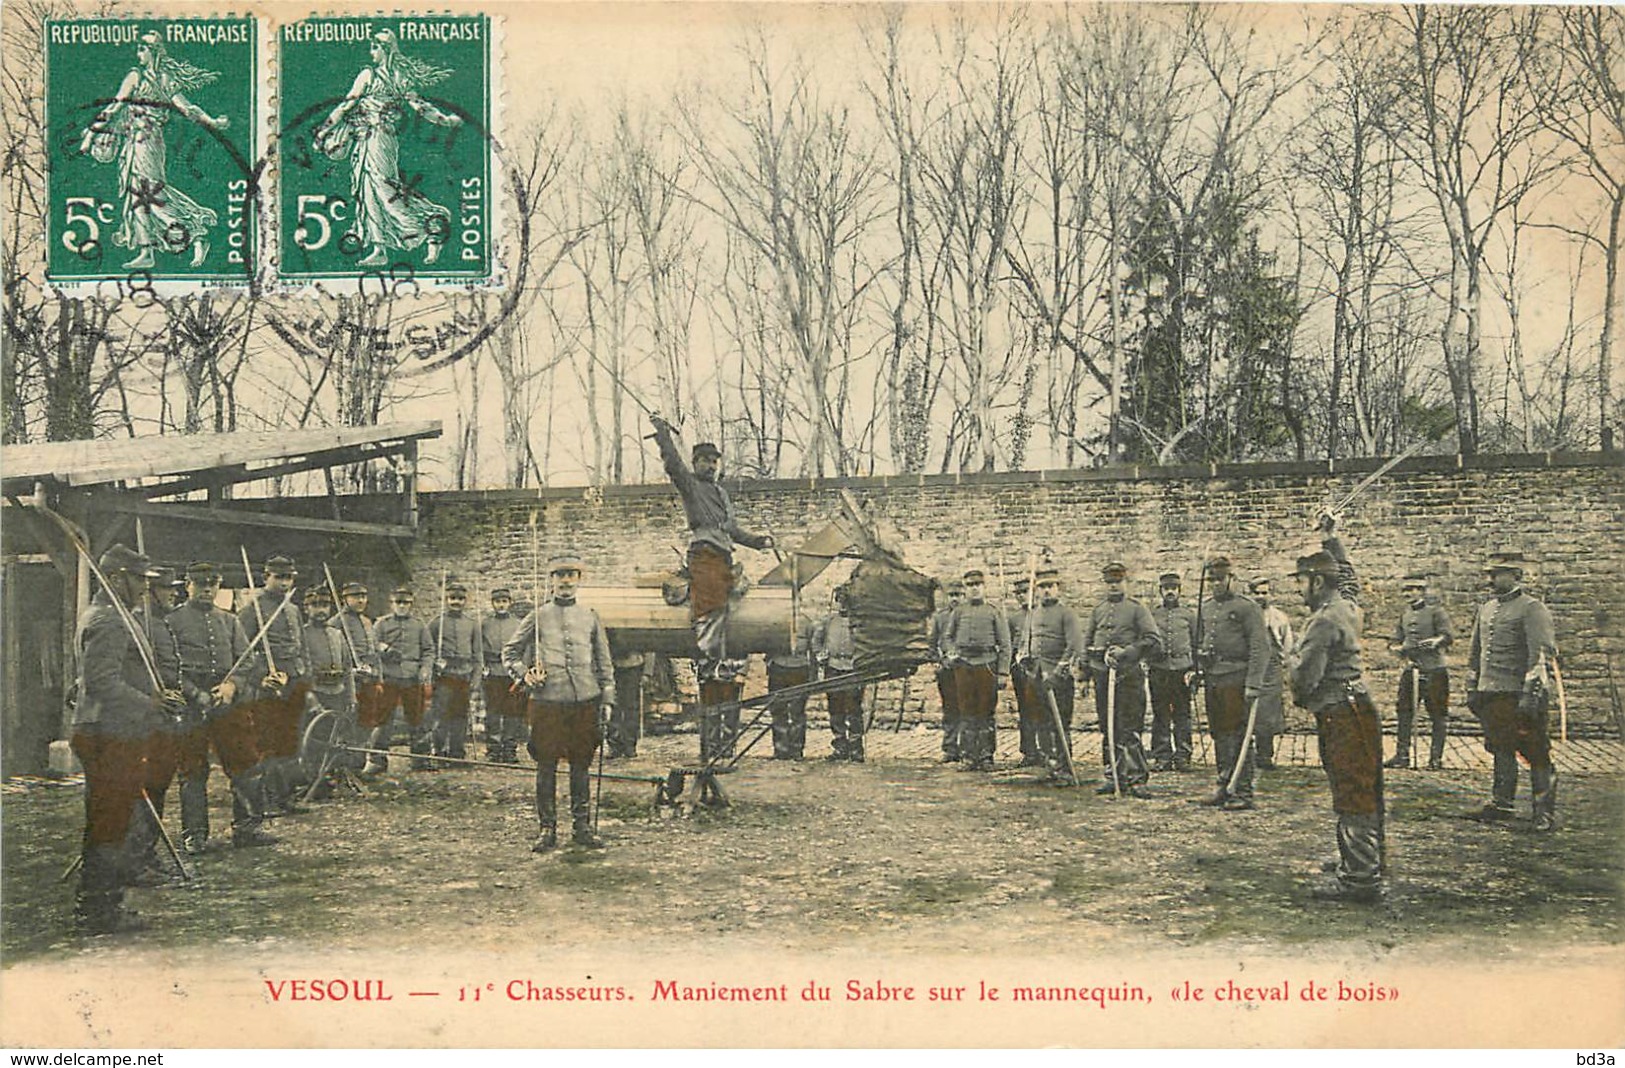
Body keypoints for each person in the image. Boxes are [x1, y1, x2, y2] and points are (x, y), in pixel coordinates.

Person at [647, 415, 774, 761]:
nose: (711, 467)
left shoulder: (720, 494)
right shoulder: (691, 486)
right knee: (709, 603)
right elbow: (672, 465)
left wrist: (758, 541)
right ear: (696, 463)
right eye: (704, 461)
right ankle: (709, 657)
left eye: (715, 462)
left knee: (738, 599)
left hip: (725, 557)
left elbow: (733, 529)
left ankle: (730, 659)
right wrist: (662, 434)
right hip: (703, 556)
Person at [71, 545, 178, 933]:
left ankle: (100, 904)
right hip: (108, 733)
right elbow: (101, 683)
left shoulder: (106, 615)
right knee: (110, 822)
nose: (144, 589)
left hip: (111, 731)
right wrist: (150, 703)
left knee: (108, 819)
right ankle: (98, 911)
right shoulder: (110, 621)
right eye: (138, 580)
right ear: (116, 577)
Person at [79, 32, 228, 270]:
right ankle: (148, 250)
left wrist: (212, 121)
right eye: (138, 48)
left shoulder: (149, 78)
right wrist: (92, 132)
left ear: (154, 51)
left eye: (142, 48)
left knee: (149, 193)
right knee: (136, 195)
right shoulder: (141, 76)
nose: (138, 53)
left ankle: (194, 232)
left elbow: (186, 107)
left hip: (146, 143)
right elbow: (117, 107)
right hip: (136, 141)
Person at [314, 29, 462, 267]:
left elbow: (345, 106)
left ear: (384, 49)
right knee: (368, 191)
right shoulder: (396, 76)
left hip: (379, 141)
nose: (371, 52)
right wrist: (444, 120)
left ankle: (432, 224)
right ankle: (379, 248)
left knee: (383, 189)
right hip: (367, 140)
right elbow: (421, 107)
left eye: (374, 47)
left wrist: (323, 130)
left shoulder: (371, 75)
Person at [1289, 540, 1384, 904]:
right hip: (1357, 709)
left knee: (1351, 788)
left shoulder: (1324, 621)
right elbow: (1350, 582)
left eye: (1301, 581)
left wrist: (1289, 660)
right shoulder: (1346, 606)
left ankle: (1360, 879)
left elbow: (1303, 680)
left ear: (1315, 582)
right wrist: (1333, 540)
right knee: (1363, 786)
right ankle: (1361, 861)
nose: (1298, 589)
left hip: (1341, 714)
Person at [502, 554, 615, 852]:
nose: (565, 581)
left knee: (581, 763)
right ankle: (547, 829)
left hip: (584, 701)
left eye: (571, 575)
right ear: (551, 581)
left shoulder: (590, 616)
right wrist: (525, 675)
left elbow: (604, 663)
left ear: (579, 579)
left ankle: (582, 827)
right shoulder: (537, 617)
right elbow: (510, 653)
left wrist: (607, 699)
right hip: (547, 703)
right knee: (546, 764)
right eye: (560, 575)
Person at [166, 562, 266, 852]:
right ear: (188, 586)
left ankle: (247, 829)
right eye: (200, 584)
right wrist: (196, 694)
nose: (207, 589)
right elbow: (168, 667)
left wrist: (231, 686)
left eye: (212, 584)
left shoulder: (229, 621)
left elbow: (246, 659)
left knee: (245, 763)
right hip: (190, 704)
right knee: (192, 770)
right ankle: (194, 834)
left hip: (228, 703)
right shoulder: (172, 622)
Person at [1464, 552, 1559, 831]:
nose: (1490, 580)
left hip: (1520, 694)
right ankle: (1501, 803)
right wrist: (1473, 686)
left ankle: (1543, 812)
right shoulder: (1487, 609)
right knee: (1500, 747)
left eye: (1497, 574)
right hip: (1492, 692)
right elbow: (1475, 653)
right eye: (1489, 574)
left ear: (1516, 576)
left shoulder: (1532, 608)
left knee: (1536, 750)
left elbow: (1541, 655)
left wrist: (1531, 695)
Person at [238, 555, 310, 817]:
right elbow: (242, 653)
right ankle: (267, 799)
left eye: (288, 578)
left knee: (290, 740)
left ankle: (285, 797)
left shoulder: (293, 609)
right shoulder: (251, 610)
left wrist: (305, 678)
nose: (284, 583)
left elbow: (302, 648)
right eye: (278, 577)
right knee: (268, 741)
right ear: (265, 578)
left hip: (294, 681)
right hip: (268, 684)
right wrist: (260, 677)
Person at [1196, 556, 1269, 811]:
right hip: (1213, 677)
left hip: (1237, 678)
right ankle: (1224, 784)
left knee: (1238, 735)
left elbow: (1260, 647)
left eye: (1220, 579)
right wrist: (1200, 663)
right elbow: (1201, 640)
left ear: (1231, 579)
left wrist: (1254, 683)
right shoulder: (1205, 608)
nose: (1215, 584)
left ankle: (1243, 790)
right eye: (1211, 580)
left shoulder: (1247, 608)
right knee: (1219, 733)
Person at [1082, 562, 1161, 797]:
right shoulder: (1098, 610)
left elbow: (1152, 640)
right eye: (1109, 583)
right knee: (1108, 727)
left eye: (1117, 582)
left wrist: (1126, 652)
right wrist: (1085, 674)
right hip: (1102, 676)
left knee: (1130, 727)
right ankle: (1113, 775)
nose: (1113, 586)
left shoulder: (1137, 610)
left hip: (1128, 677)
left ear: (1125, 582)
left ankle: (1137, 777)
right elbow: (1087, 643)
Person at [1015, 567, 1084, 782]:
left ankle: (1065, 766)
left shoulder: (1067, 614)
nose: (1046, 591)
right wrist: (1023, 658)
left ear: (1058, 589)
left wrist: (1058, 672)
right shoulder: (1033, 614)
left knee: (1060, 723)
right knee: (1040, 722)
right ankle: (1050, 764)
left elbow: (1074, 645)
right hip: (1035, 677)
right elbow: (1026, 642)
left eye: (1050, 587)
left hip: (1058, 679)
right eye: (1042, 587)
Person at [939, 569, 1010, 772]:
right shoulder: (958, 612)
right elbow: (947, 637)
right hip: (963, 666)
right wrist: (951, 652)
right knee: (966, 711)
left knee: (986, 712)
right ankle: (968, 756)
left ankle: (986, 756)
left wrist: (1003, 672)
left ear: (984, 587)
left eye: (978, 585)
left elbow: (1005, 644)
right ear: (966, 589)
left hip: (987, 665)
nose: (974, 589)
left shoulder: (993, 612)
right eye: (970, 585)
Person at [1387, 573, 1454, 771]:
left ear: (1422, 591)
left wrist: (1436, 641)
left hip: (1434, 670)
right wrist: (1396, 648)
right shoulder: (1405, 615)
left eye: (1412, 589)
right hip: (1411, 668)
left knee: (1438, 714)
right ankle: (1402, 755)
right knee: (1404, 711)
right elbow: (1394, 640)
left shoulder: (1437, 612)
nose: (1408, 593)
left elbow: (1448, 636)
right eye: (1405, 590)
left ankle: (1435, 758)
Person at [371, 586, 434, 771]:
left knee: (417, 718)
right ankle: (377, 761)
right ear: (392, 604)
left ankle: (420, 759)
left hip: (412, 677)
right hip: (389, 677)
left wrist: (425, 668)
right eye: (398, 602)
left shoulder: (419, 625)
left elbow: (429, 650)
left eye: (406, 603)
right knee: (383, 719)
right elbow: (371, 643)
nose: (402, 606)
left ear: (411, 604)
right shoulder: (381, 624)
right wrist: (384, 649)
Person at [301, 585, 354, 799]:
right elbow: (301, 670)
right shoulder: (302, 635)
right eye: (315, 605)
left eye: (324, 605)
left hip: (338, 692)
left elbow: (348, 668)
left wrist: (351, 696)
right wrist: (310, 697)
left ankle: (335, 777)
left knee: (337, 737)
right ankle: (316, 782)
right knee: (316, 740)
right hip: (316, 694)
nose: (320, 610)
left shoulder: (337, 634)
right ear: (306, 608)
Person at [1148, 572, 1198, 772]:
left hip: (1182, 670)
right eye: (1166, 588)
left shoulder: (1188, 615)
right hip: (1159, 670)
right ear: (1161, 591)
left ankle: (1183, 755)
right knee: (1160, 714)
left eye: (1174, 588)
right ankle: (1162, 755)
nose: (1170, 592)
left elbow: (1196, 643)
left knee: (1182, 714)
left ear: (1179, 591)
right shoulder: (1153, 615)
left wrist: (1195, 670)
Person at [335, 582, 384, 773]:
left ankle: (358, 766)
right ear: (345, 599)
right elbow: (334, 655)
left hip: (369, 680)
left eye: (363, 596)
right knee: (348, 725)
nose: (361, 600)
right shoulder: (336, 623)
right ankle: (343, 767)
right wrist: (351, 672)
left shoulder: (367, 622)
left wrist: (378, 678)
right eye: (356, 597)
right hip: (350, 682)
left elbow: (374, 653)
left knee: (367, 722)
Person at [428, 580, 479, 761]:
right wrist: (435, 665)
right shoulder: (436, 623)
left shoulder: (472, 624)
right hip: (444, 676)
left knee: (460, 716)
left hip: (464, 675)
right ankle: (439, 751)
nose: (456, 602)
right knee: (441, 715)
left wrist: (476, 679)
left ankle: (457, 753)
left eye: (459, 599)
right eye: (452, 598)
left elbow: (477, 654)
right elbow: (428, 649)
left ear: (465, 601)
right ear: (446, 600)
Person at [814, 585, 865, 763]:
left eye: (846, 602)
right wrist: (820, 653)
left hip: (853, 669)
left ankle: (856, 749)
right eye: (840, 601)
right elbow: (817, 640)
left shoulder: (859, 623)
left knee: (854, 709)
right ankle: (840, 747)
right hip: (833, 667)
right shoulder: (829, 621)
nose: (843, 606)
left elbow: (866, 644)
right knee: (835, 708)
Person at [1249, 578, 1294, 770]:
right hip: (1250, 668)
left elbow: (1287, 644)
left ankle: (1265, 755)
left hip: (1271, 669)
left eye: (1264, 593)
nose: (1260, 597)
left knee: (1268, 713)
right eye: (1257, 593)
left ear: (1271, 595)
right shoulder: (1247, 616)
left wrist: (1284, 666)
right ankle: (1245, 754)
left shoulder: (1279, 618)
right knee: (1247, 710)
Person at [479, 588, 527, 763]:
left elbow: (524, 647)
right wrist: (482, 666)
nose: (501, 605)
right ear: (493, 603)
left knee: (512, 712)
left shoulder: (518, 624)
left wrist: (522, 672)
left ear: (510, 603)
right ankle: (493, 748)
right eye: (497, 601)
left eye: (504, 601)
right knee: (493, 711)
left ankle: (509, 749)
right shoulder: (484, 624)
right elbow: (478, 648)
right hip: (492, 672)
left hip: (512, 673)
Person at [766, 611, 814, 761]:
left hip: (799, 669)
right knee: (778, 710)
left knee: (797, 711)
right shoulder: (774, 620)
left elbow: (813, 649)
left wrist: (813, 673)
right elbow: (765, 642)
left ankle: (796, 749)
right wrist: (769, 662)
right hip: (779, 668)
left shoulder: (806, 622)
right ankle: (780, 749)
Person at [928, 579, 965, 763]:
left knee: (967, 708)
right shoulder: (940, 618)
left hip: (966, 669)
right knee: (950, 708)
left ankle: (967, 748)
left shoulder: (968, 616)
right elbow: (931, 643)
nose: (955, 599)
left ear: (964, 596)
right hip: (947, 669)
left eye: (958, 595)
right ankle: (950, 748)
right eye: (952, 595)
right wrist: (936, 661)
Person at [1006, 576, 1040, 767]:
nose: (1022, 596)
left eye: (1025, 591)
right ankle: (1029, 751)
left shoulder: (1044, 615)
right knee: (1026, 710)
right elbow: (1008, 644)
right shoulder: (1013, 618)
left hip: (1040, 669)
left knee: (1042, 710)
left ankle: (1047, 750)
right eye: (1018, 593)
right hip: (1021, 671)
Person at [607, 646, 648, 759]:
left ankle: (630, 745)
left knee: (631, 708)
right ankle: (614, 745)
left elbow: (649, 645)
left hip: (634, 667)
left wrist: (647, 673)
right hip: (612, 665)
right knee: (613, 707)